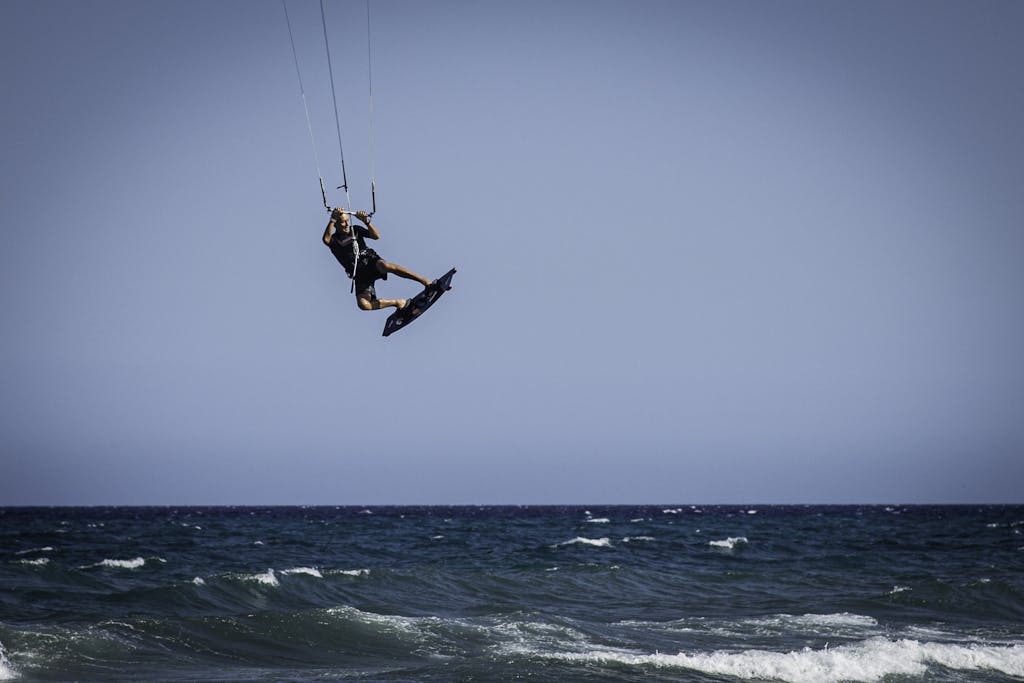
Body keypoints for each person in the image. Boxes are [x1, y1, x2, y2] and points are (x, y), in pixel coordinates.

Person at [322, 207, 432, 311]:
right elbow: (326, 240)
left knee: (385, 266)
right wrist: (332, 219)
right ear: (335, 225)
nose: (346, 224)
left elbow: (376, 236)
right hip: (359, 274)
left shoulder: (355, 229)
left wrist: (366, 221)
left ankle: (424, 281)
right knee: (364, 305)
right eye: (342, 222)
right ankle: (398, 303)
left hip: (370, 261)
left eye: (347, 220)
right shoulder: (334, 240)